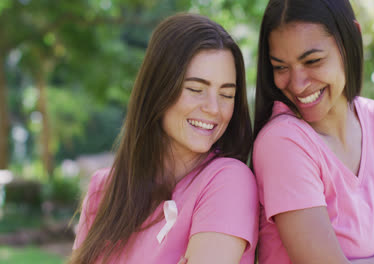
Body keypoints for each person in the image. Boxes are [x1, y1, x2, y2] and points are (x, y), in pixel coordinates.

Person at [69, 13, 258, 264]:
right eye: (196, 89)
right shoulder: (103, 190)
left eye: (226, 94)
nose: (214, 108)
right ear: (158, 88)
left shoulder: (228, 182)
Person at [252, 0, 374, 263]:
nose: (298, 84)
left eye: (312, 61)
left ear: (350, 39)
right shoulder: (283, 143)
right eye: (281, 67)